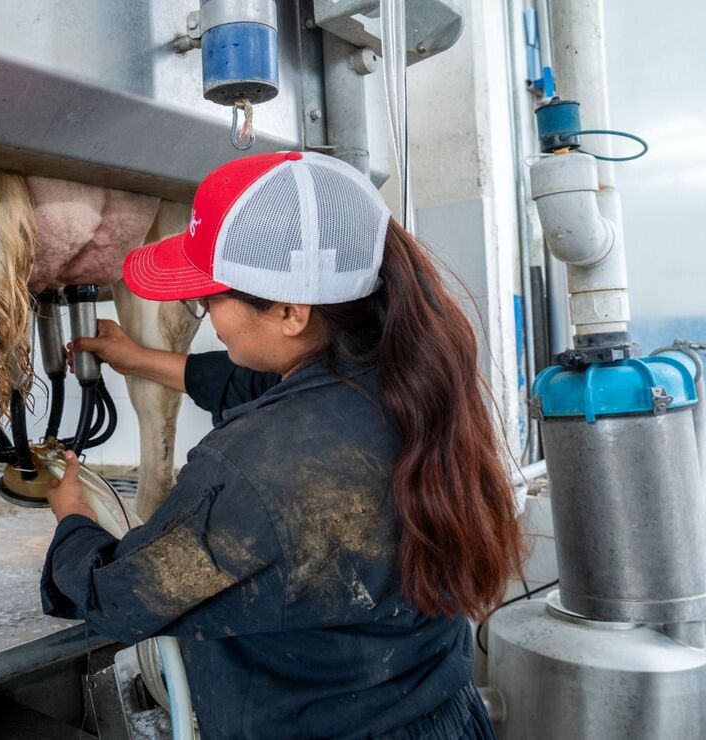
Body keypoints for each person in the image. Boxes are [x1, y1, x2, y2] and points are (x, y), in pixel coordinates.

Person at [40, 150, 523, 739]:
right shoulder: (403, 375)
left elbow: (122, 597)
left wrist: (73, 520)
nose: (206, 316)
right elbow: (252, 382)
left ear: (291, 311)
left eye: (207, 299)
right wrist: (136, 359)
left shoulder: (248, 468)